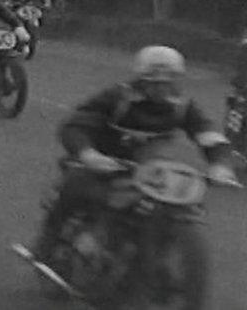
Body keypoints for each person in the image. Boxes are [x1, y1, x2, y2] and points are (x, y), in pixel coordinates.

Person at [30, 46, 238, 261]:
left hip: (151, 170)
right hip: (102, 163)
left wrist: (220, 164)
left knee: (178, 206)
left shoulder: (183, 107)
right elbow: (76, 126)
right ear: (141, 80)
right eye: (154, 82)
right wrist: (88, 154)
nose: (162, 88)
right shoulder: (117, 98)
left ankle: (151, 254)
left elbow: (208, 134)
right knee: (75, 185)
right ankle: (47, 243)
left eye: (169, 81)